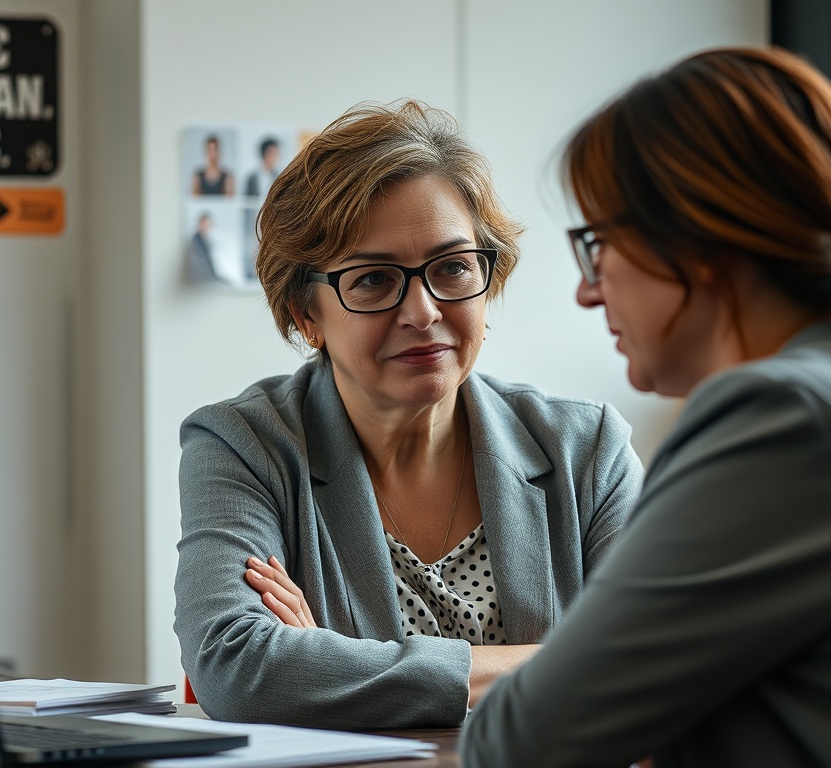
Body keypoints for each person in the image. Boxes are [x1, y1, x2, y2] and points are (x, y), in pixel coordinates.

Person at [460, 46, 831, 768]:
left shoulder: (783, 421)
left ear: (690, 239)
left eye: (600, 245)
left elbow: (521, 743)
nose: (589, 290)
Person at [173, 99, 644, 730]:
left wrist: (335, 665)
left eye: (452, 268)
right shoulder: (244, 445)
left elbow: (661, 661)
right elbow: (237, 669)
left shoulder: (586, 448)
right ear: (307, 313)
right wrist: (561, 664)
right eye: (373, 279)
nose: (422, 311)